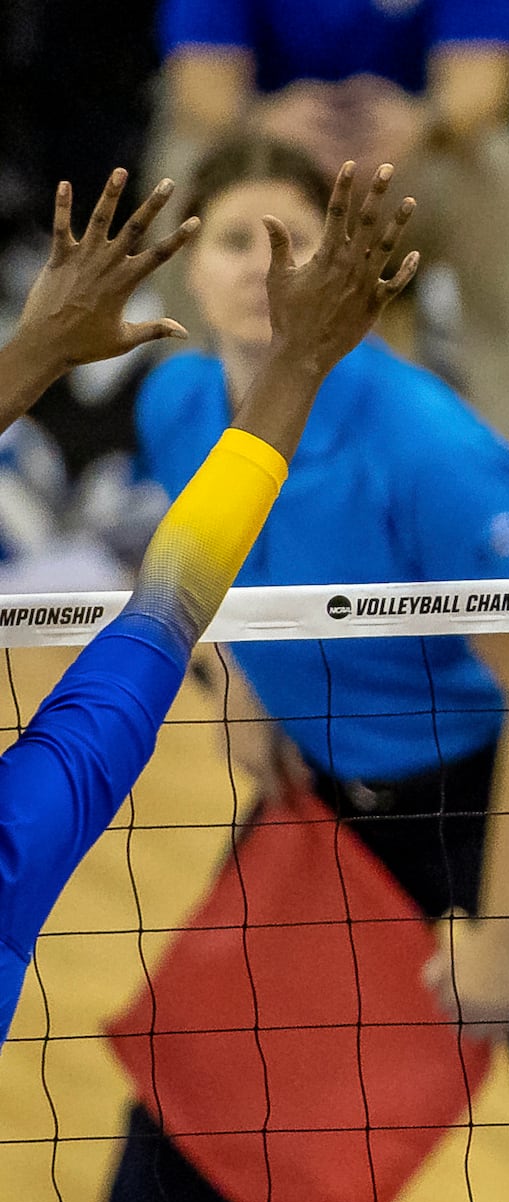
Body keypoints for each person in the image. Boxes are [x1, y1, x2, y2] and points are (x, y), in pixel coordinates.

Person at [99, 136, 509, 1202]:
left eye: (291, 242)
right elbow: (220, 552)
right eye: (235, 240)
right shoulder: (176, 407)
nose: (263, 266)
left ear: (345, 270)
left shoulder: (424, 443)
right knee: (172, 1164)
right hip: (340, 807)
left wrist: (506, 936)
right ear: (187, 269)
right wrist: (243, 678)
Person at [1, 162, 418, 1044]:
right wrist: (301, 360)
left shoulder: (421, 440)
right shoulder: (21, 840)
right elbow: (171, 603)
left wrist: (35, 350)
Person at [146, 0, 509, 453]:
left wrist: (420, 122)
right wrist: (268, 122)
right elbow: (200, 84)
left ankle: (508, 437)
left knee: (496, 158)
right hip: (272, 172)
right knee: (184, 159)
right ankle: (191, 410)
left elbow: (485, 83)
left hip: (403, 167)